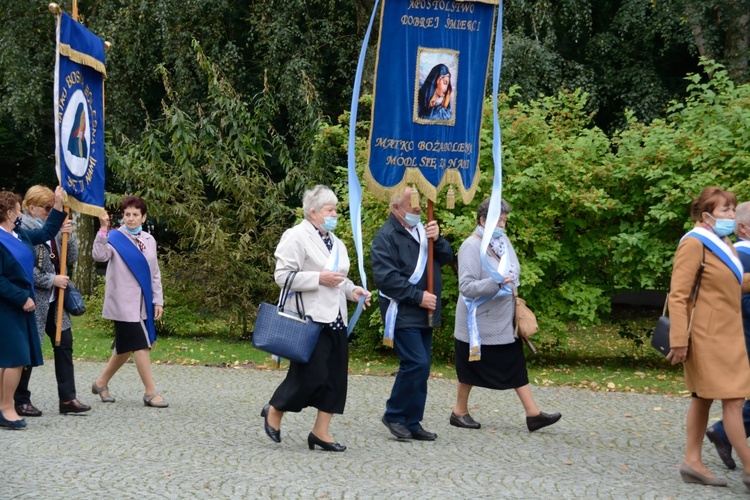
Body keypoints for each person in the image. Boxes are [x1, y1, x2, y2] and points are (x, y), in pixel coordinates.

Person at [261, 185, 371, 452]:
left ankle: (320, 432)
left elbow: (339, 280)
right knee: (311, 376)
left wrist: (353, 291)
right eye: (329, 210)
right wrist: (317, 278)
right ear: (313, 212)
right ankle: (274, 409)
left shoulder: (337, 242)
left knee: (335, 378)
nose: (335, 214)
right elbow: (282, 277)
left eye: (336, 209)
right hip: (308, 319)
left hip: (335, 319)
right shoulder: (296, 236)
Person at [451, 198, 561, 432]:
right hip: (477, 322)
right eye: (497, 220)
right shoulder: (471, 246)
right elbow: (467, 287)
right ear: (483, 220)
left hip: (502, 319)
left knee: (514, 362)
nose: (502, 225)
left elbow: (515, 269)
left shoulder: (503, 241)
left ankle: (533, 414)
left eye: (504, 220)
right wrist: (495, 282)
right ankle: (459, 412)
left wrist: (510, 280)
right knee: (469, 367)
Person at [667, 186, 750, 488]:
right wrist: (678, 340)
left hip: (727, 334)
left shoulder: (722, 241)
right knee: (734, 400)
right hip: (707, 335)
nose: (731, 215)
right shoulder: (694, 243)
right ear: (706, 216)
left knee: (703, 400)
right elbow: (678, 295)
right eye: (725, 210)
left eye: (732, 209)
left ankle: (693, 463)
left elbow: (727, 285)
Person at [371, 186, 454, 440]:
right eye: (412, 204)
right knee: (415, 363)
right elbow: (386, 279)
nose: (418, 208)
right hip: (403, 310)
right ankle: (394, 414)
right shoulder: (385, 236)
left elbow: (447, 257)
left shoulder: (423, 230)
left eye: (419, 203)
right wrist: (418, 297)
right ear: (396, 208)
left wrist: (438, 239)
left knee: (423, 366)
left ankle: (413, 420)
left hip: (425, 311)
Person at [14, 186, 91, 417]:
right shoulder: (23, 228)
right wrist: (51, 279)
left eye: (52, 207)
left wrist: (69, 234)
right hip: (35, 300)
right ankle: (20, 399)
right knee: (28, 349)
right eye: (48, 208)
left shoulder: (53, 227)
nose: (51, 212)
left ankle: (68, 398)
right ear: (32, 208)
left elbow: (72, 258)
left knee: (64, 343)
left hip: (56, 301)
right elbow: (24, 268)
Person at [91, 195, 167, 408]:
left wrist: (158, 300)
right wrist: (103, 231)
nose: (131, 219)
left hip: (143, 302)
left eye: (135, 215)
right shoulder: (114, 238)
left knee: (125, 349)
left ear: (143, 217)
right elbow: (99, 256)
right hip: (122, 304)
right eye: (127, 215)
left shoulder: (149, 240)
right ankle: (150, 393)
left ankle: (101, 383)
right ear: (122, 216)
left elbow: (154, 273)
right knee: (142, 344)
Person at [0, 186, 66, 429]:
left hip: (20, 307)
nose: (20, 215)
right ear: (9, 213)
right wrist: (21, 298)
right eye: (17, 210)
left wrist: (58, 205)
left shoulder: (20, 234)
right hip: (8, 307)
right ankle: (7, 408)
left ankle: (3, 406)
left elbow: (48, 230)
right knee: (14, 359)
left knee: (11, 360)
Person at [705, 200, 750, 470]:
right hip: (744, 338)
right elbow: (739, 303)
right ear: (743, 228)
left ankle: (723, 433)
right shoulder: (742, 255)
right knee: (733, 401)